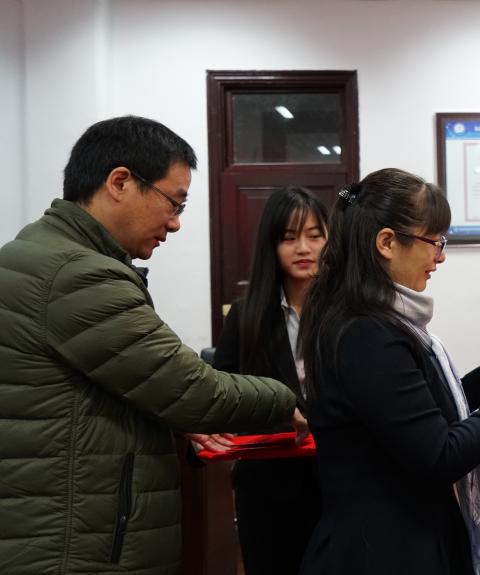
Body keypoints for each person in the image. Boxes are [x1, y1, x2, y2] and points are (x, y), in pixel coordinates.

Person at [0, 116, 306, 575]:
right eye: (174, 203)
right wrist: (286, 401)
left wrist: (173, 420)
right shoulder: (78, 275)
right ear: (120, 182)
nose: (175, 223)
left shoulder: (40, 255)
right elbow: (195, 390)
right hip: (75, 546)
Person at [296, 168, 480, 575]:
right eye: (434, 241)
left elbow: (407, 418)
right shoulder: (368, 333)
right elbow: (438, 455)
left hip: (397, 538)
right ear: (387, 243)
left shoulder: (372, 319)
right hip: (383, 550)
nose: (440, 257)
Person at [212, 186, 328, 575]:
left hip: (337, 487)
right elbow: (225, 396)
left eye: (315, 235)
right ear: (271, 245)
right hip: (268, 488)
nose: (303, 248)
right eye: (289, 237)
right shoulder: (246, 317)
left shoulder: (349, 314)